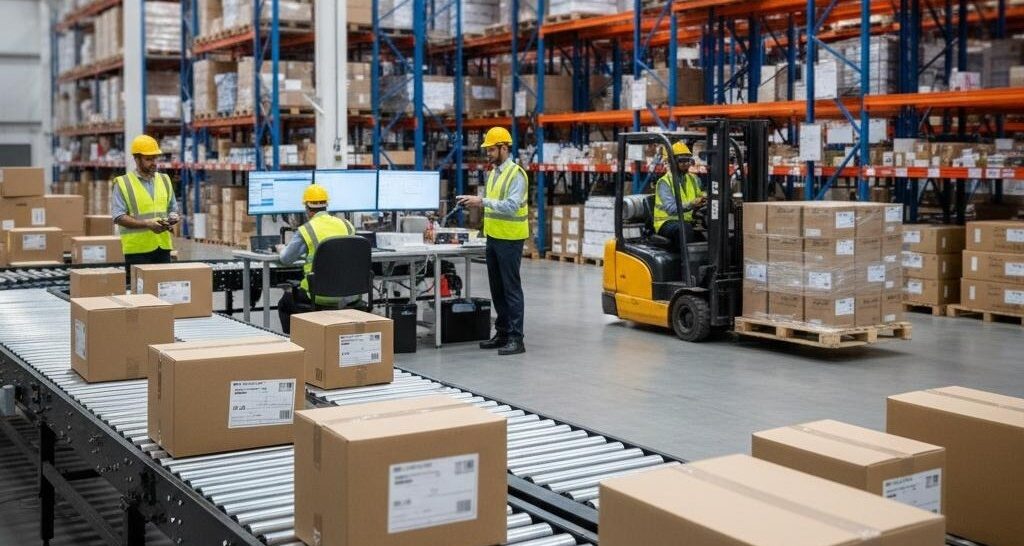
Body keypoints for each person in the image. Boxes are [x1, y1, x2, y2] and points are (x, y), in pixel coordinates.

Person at [456, 126, 528, 356]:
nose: (487, 153)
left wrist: (481, 201)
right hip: (494, 238)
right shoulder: (494, 173)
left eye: (491, 149)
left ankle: (517, 339)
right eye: (486, 149)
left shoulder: (516, 174)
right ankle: (503, 333)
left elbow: (511, 206)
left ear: (504, 148)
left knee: (511, 290)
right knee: (497, 289)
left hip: (511, 239)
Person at [277, 184, 357, 334]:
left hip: (318, 295)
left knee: (285, 303)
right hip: (349, 293)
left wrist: (281, 249)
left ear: (307, 208)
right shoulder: (347, 225)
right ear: (327, 205)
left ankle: (296, 347)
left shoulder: (307, 229)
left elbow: (286, 259)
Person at [112, 135, 179, 267]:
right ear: (136, 159)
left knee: (162, 286)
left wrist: (173, 217)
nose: (153, 162)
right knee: (139, 287)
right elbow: (118, 216)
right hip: (137, 251)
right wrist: (147, 224)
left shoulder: (165, 180)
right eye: (148, 159)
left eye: (155, 158)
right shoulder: (123, 183)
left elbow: (173, 208)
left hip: (163, 248)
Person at [653, 141, 706, 250]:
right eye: (682, 161)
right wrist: (692, 204)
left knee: (708, 237)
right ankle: (683, 265)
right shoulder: (664, 182)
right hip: (666, 222)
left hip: (686, 221)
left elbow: (700, 195)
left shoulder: (693, 179)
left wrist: (706, 199)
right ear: (672, 162)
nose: (686, 164)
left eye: (688, 160)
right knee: (683, 229)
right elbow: (671, 208)